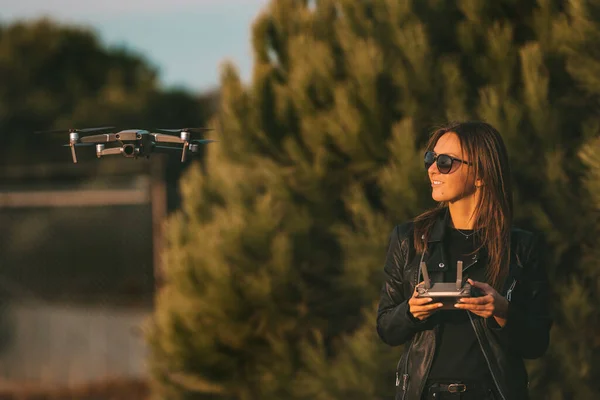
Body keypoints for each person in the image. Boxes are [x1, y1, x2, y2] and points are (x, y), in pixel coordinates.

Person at [376, 121, 552, 400]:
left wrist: (502, 311)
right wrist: (411, 311)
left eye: (445, 162)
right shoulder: (409, 239)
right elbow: (386, 328)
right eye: (430, 159)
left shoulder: (520, 246)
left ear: (481, 173)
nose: (432, 168)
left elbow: (536, 343)